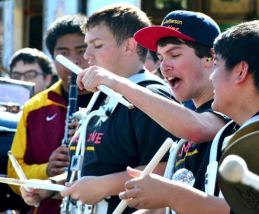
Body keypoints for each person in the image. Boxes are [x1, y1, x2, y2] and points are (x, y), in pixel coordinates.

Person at [118, 19, 259, 213]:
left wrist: (170, 194)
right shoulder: (230, 133)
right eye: (160, 57)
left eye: (217, 64)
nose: (212, 76)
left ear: (240, 71)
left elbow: (239, 210)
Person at [69, 10, 228, 213]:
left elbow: (197, 128)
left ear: (210, 57)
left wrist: (117, 83)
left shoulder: (225, 113)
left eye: (175, 54)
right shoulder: (184, 122)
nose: (164, 67)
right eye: (160, 57)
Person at [60, 3, 177, 213]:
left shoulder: (151, 97)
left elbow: (167, 167)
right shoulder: (102, 95)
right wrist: (52, 187)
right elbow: (95, 167)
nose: (87, 54)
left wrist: (103, 186)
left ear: (129, 46)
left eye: (96, 45)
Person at [7, 14, 101, 214]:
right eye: (63, 53)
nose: (74, 60)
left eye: (82, 50)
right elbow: (14, 172)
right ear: (53, 57)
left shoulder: (113, 101)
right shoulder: (34, 107)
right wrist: (47, 170)